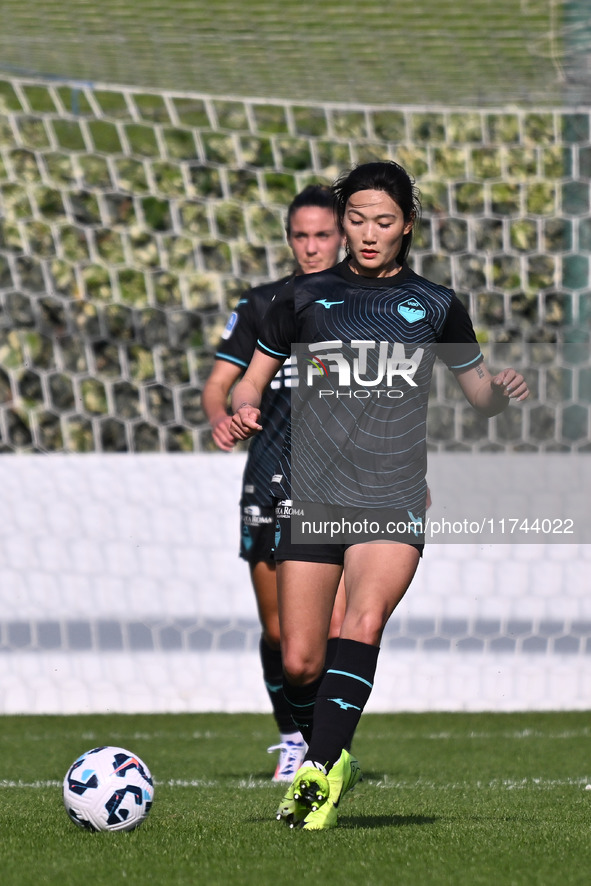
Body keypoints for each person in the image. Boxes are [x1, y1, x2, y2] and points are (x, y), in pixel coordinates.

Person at [229, 160, 529, 829]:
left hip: (391, 495)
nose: (367, 233)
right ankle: (329, 755)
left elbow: (475, 394)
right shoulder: (303, 298)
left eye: (382, 221)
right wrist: (240, 408)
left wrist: (497, 395)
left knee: (359, 623)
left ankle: (316, 777)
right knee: (301, 659)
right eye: (356, 220)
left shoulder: (434, 304)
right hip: (312, 496)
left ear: (407, 227)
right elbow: (252, 380)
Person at [202, 184, 345, 783]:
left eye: (322, 235)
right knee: (281, 632)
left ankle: (325, 750)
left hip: (336, 483)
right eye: (301, 236)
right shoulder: (263, 304)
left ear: (343, 237)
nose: (311, 247)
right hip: (269, 476)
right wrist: (225, 416)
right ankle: (292, 737)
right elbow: (221, 384)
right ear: (289, 239)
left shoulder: (368, 307)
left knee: (331, 631)